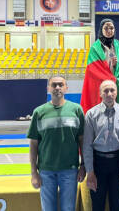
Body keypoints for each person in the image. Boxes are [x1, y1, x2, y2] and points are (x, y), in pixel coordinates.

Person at [28, 76, 86, 211]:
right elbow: (33, 145)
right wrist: (33, 173)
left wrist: (83, 166)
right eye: (54, 85)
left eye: (61, 85)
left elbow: (82, 141)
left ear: (66, 88)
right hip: (46, 171)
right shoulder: (39, 112)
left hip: (70, 170)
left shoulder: (76, 110)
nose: (57, 88)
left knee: (69, 208)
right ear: (48, 88)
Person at [83, 80, 119, 211]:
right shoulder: (91, 114)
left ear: (116, 93)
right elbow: (87, 145)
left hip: (118, 162)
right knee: (97, 204)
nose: (109, 94)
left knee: (116, 204)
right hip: (98, 164)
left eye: (112, 90)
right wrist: (90, 171)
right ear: (100, 94)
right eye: (105, 91)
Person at [81, 18, 119, 113]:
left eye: (111, 28)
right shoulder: (95, 48)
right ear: (101, 30)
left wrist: (115, 66)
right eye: (106, 28)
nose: (109, 31)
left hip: (118, 86)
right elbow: (93, 70)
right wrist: (110, 76)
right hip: (101, 85)